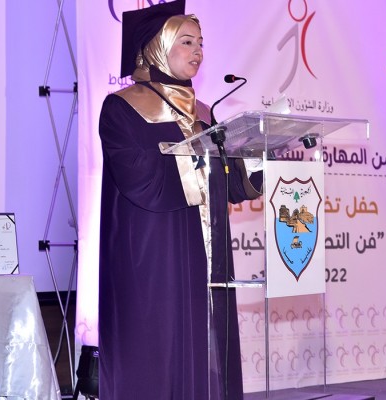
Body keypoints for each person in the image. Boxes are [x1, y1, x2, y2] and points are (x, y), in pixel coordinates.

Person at [97, 1, 262, 398]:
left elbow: (232, 185)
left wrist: (259, 154)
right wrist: (200, 167)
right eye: (186, 41)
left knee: (210, 346)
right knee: (159, 349)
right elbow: (138, 176)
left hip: (209, 249)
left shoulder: (205, 113)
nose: (198, 51)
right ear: (157, 46)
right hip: (155, 252)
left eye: (201, 43)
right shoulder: (122, 107)